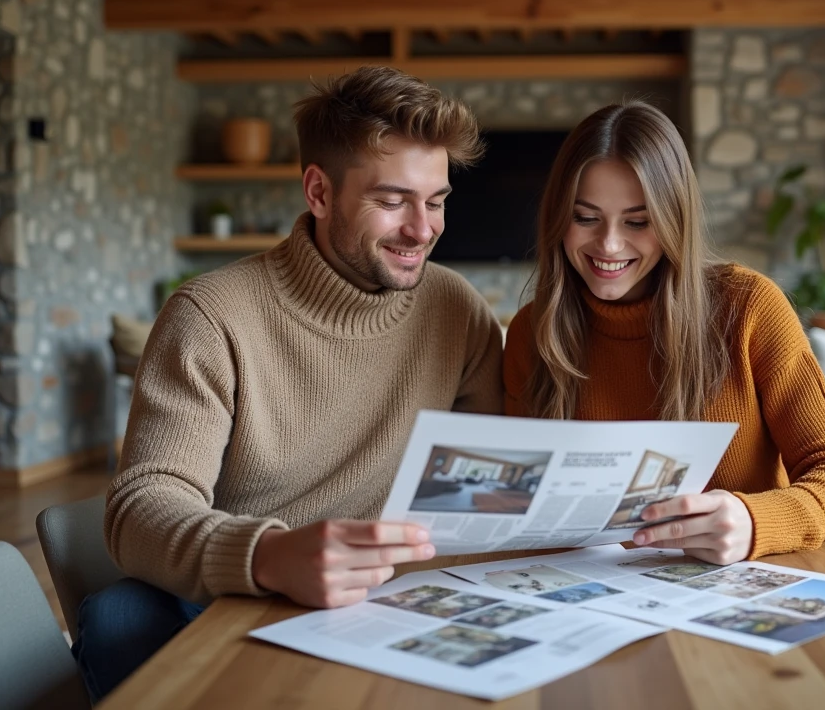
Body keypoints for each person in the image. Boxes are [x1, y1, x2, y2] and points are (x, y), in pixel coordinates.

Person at [73, 66, 503, 702]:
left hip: (400, 589)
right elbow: (141, 507)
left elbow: (492, 473)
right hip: (249, 589)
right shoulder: (211, 316)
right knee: (117, 620)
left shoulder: (455, 308)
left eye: (435, 201)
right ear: (319, 191)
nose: (423, 229)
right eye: (391, 201)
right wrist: (268, 557)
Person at [503, 101, 825, 565]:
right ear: (558, 218)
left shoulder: (747, 308)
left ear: (673, 220)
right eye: (586, 217)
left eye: (638, 222)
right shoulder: (530, 333)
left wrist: (753, 519)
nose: (609, 244)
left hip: (735, 592)